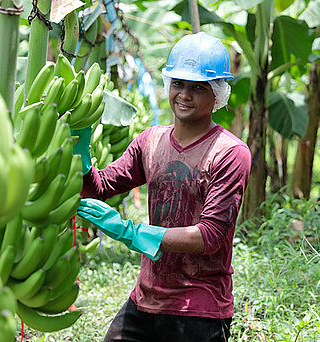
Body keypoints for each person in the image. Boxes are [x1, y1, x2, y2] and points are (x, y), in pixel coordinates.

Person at [72, 32, 252, 342]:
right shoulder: (150, 141)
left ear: (218, 95)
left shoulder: (230, 153)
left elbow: (209, 236)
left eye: (198, 88)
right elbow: (100, 186)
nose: (185, 95)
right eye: (179, 84)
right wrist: (82, 155)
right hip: (146, 299)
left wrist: (133, 232)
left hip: (200, 306)